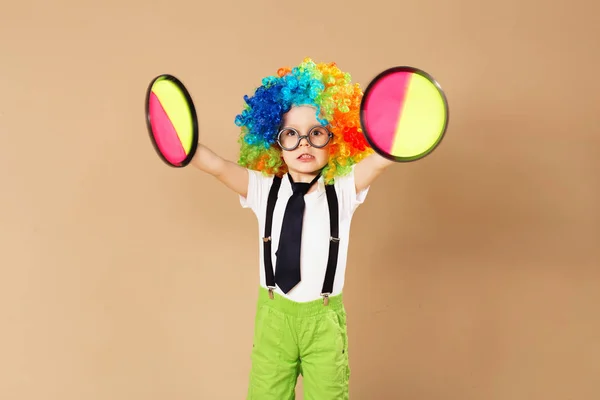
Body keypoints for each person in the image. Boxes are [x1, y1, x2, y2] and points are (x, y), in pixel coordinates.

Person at [191, 58, 394, 399]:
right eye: (291, 134)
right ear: (274, 141)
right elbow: (214, 165)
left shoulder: (343, 190)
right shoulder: (262, 189)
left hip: (324, 322)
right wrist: (179, 143)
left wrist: (410, 123)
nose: (304, 143)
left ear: (336, 139)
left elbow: (383, 157)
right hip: (274, 317)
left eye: (316, 133)